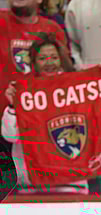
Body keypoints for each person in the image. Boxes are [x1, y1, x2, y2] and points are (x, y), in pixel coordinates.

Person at [1, 35, 86, 194]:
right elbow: (10, 136)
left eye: (54, 57)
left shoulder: (77, 90)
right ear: (33, 63)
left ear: (61, 60)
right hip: (31, 188)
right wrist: (13, 105)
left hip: (71, 186)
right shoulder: (23, 92)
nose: (49, 63)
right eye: (42, 58)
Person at [0, 0, 68, 156]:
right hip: (6, 123)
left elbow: (67, 76)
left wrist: (96, 76)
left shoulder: (53, 29)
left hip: (40, 128)